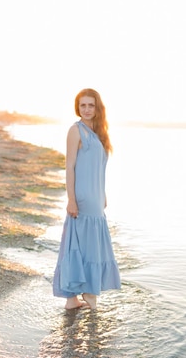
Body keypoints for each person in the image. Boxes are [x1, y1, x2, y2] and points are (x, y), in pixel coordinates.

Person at [52, 88, 121, 310]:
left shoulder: (100, 132)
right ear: (77, 107)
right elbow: (70, 167)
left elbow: (98, 168)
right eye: (83, 105)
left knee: (83, 245)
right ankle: (89, 297)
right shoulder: (75, 131)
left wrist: (104, 194)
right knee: (84, 245)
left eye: (91, 105)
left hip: (96, 197)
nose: (87, 109)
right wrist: (71, 199)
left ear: (97, 107)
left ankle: (73, 300)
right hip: (82, 197)